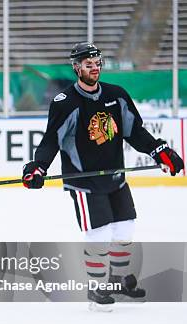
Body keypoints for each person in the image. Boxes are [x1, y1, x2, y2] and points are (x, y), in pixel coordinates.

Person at [21, 42, 184, 307]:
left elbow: (135, 131)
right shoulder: (66, 102)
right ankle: (96, 288)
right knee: (99, 234)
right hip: (84, 182)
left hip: (116, 178)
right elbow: (52, 140)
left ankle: (120, 281)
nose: (94, 69)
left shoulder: (116, 95)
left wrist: (159, 150)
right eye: (88, 65)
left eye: (97, 64)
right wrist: (38, 166)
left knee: (124, 229)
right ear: (76, 68)